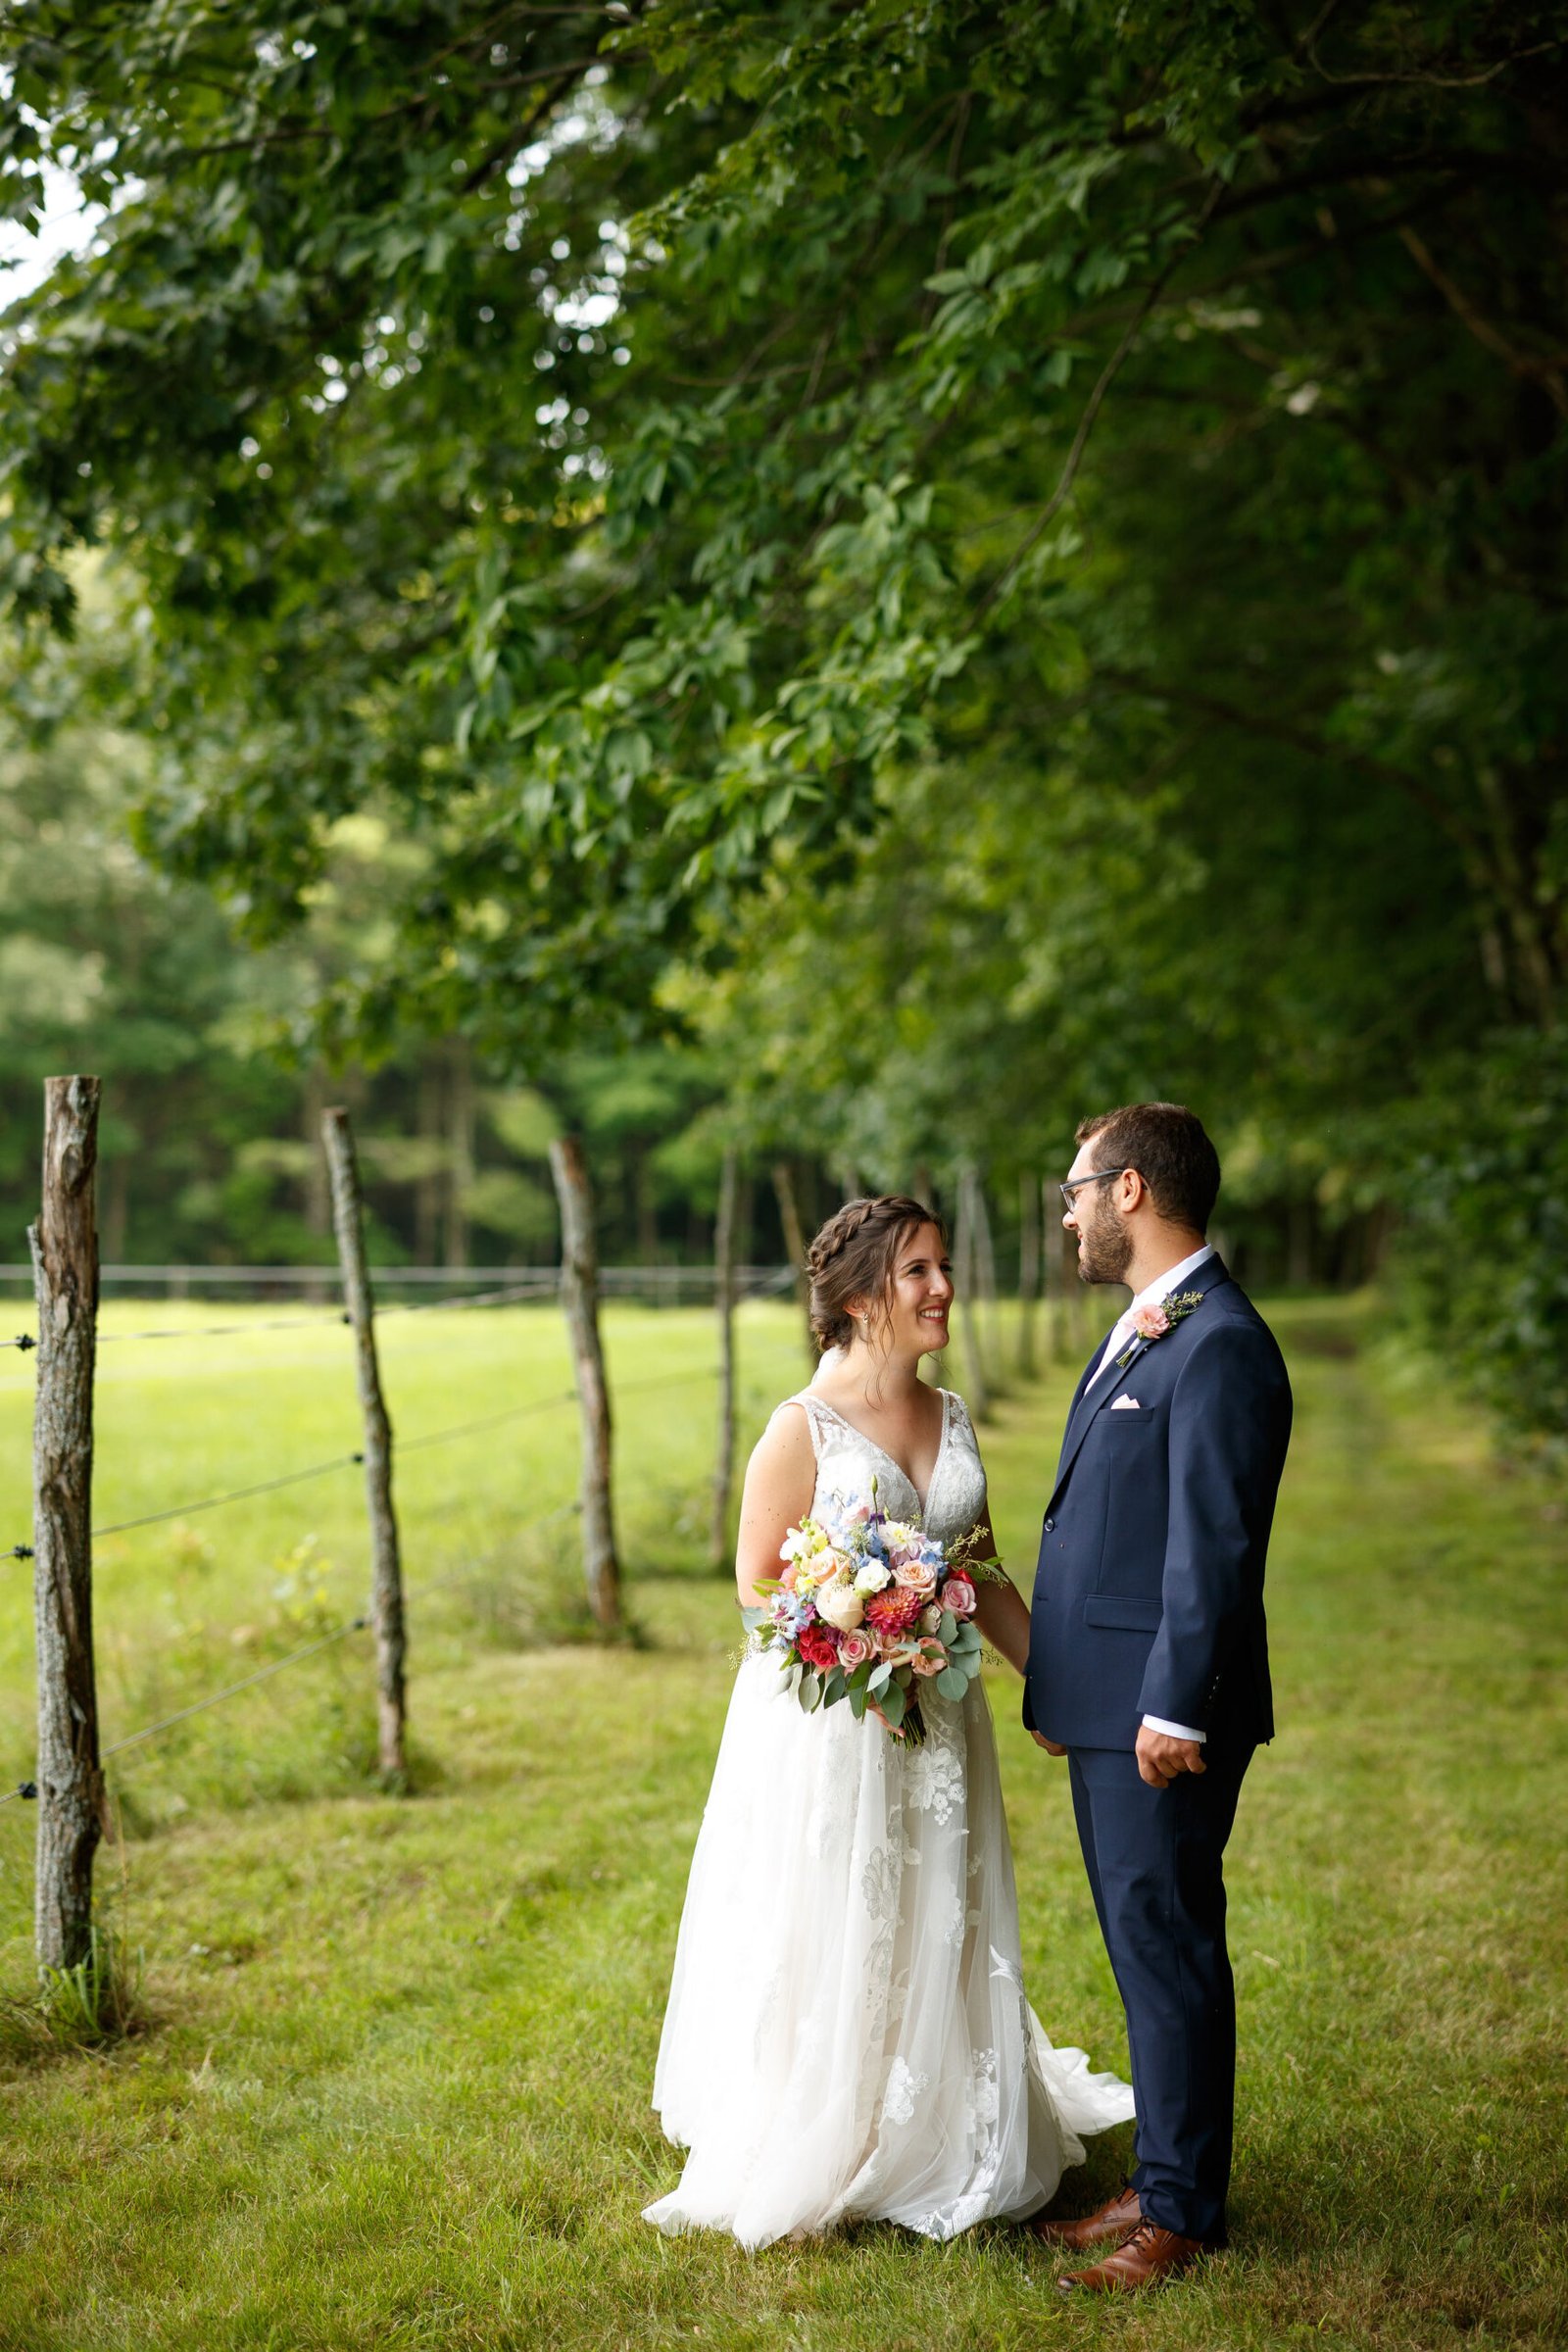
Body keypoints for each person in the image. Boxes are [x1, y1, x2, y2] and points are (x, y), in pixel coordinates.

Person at [645, 1194, 1133, 2248]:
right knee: (840, 1903)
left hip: (944, 1713)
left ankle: (944, 2112)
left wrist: (1048, 1681)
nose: (942, 1287)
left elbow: (982, 1566)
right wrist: (861, 1629)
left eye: (943, 1266)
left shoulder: (950, 1413)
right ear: (862, 1296)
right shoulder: (799, 1428)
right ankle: (825, 2126)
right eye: (918, 1271)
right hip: (834, 1723)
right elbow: (758, 1584)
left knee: (937, 1900)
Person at [1023, 1103, 1293, 2294]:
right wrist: (1061, 1685)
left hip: (1161, 1712)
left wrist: (1173, 1708)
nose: (1069, 1209)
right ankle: (1167, 2170)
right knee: (1142, 1945)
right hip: (1107, 1696)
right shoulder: (1146, 1326)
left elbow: (1213, 1548)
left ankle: (1182, 2214)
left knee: (1169, 1942)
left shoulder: (1218, 1339)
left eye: (1078, 1188)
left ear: (1131, 1191)